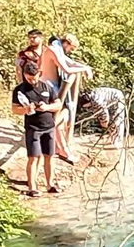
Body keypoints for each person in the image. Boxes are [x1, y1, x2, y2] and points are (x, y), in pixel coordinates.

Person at [39, 32, 93, 160]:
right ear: (66, 43)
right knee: (59, 115)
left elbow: (71, 63)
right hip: (47, 87)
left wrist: (86, 68)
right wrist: (83, 70)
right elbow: (66, 69)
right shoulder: (53, 50)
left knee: (62, 115)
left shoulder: (57, 50)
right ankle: (61, 149)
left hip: (51, 87)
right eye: (71, 48)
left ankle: (60, 148)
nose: (70, 51)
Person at [12, 63, 64, 196]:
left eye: (34, 78)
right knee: (33, 157)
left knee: (49, 156)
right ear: (24, 75)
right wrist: (26, 109)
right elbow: (14, 109)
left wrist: (46, 107)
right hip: (33, 128)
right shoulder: (20, 90)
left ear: (39, 74)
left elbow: (58, 104)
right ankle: (32, 187)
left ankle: (50, 184)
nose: (32, 81)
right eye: (29, 78)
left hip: (49, 126)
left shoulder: (47, 86)